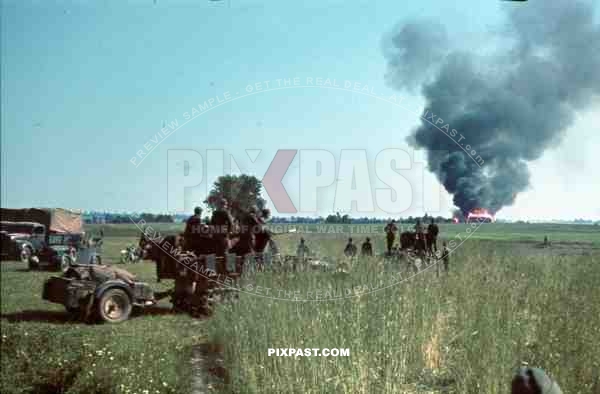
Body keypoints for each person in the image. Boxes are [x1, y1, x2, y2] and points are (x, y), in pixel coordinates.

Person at [210, 198, 234, 275]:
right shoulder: (226, 213)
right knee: (226, 252)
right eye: (226, 205)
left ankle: (213, 270)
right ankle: (229, 270)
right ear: (224, 205)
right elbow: (231, 224)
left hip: (215, 235)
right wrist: (229, 232)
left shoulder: (214, 213)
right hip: (223, 236)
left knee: (215, 253)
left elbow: (212, 224)